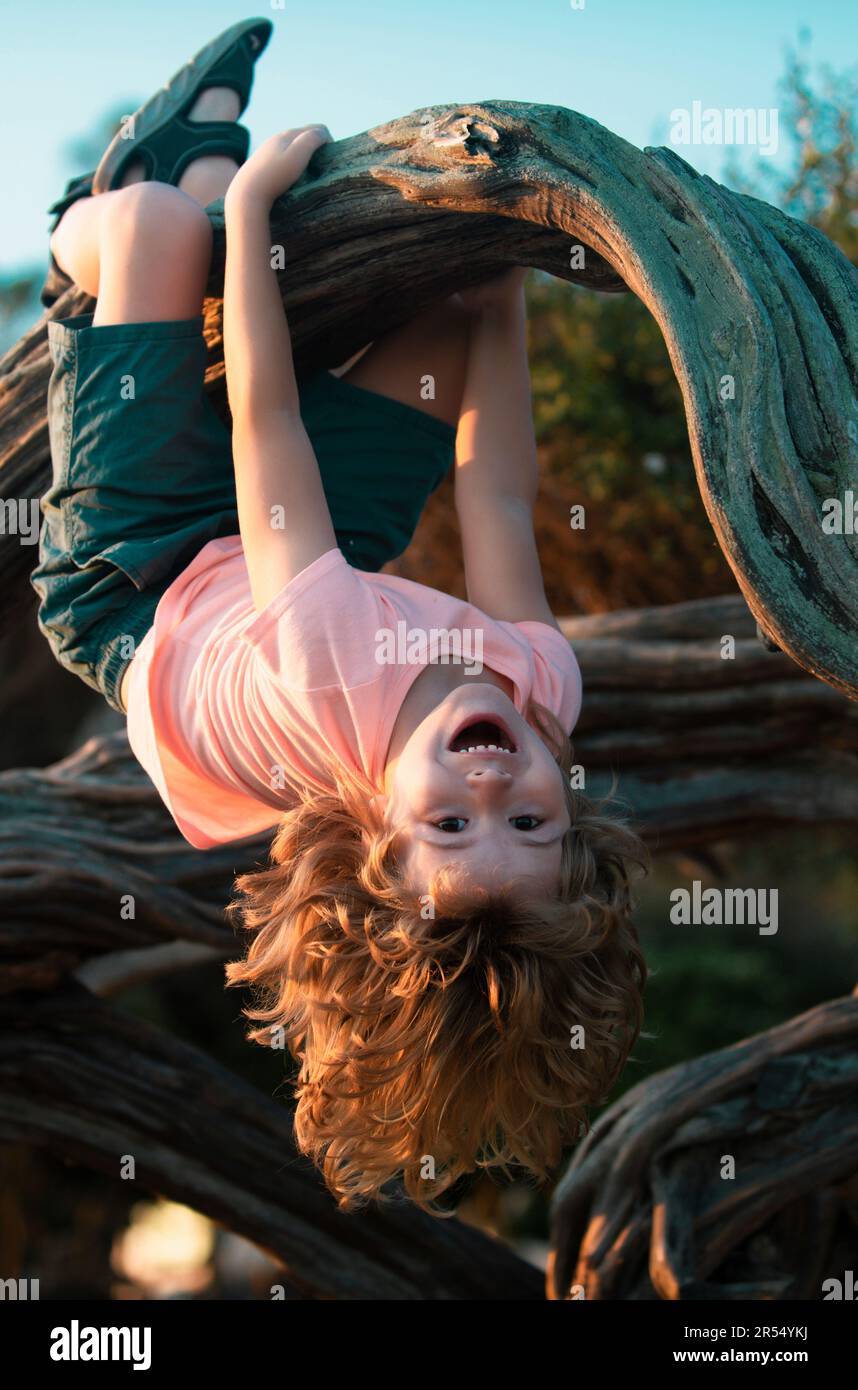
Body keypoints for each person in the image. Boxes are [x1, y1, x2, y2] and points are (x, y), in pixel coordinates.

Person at [32, 18, 646, 1211]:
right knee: (451, 292)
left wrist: (257, 212)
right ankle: (195, 160)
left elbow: (267, 427)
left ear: (375, 835)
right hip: (313, 552)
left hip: (143, 571)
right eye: (530, 823)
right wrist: (509, 281)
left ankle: (93, 215)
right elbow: (501, 494)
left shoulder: (329, 667)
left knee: (165, 232)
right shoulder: (547, 692)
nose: (492, 793)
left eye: (453, 833)